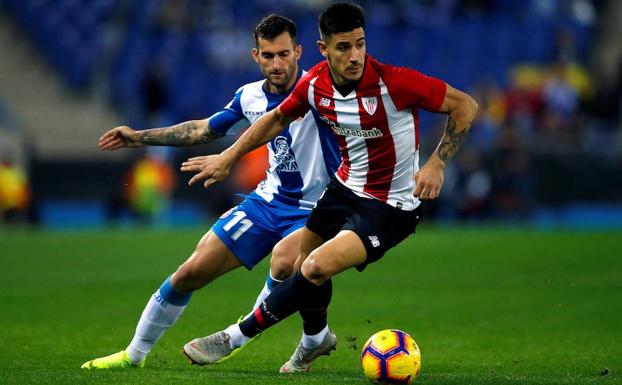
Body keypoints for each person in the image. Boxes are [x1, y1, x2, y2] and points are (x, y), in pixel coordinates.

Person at [179, 2, 478, 373]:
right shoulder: (316, 83)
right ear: (324, 49)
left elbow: (465, 105)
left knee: (316, 266)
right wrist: (228, 157)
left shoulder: (395, 83)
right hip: (343, 190)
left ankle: (235, 336)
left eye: (360, 44)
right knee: (295, 262)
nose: (355, 56)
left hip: (390, 207)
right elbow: (275, 120)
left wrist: (436, 163)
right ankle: (315, 340)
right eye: (343, 47)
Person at [81, 14, 339, 369]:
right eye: (268, 56)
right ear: (255, 56)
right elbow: (202, 130)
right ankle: (132, 357)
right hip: (268, 202)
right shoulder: (248, 96)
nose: (277, 64)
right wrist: (140, 136)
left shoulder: (321, 88)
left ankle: (239, 335)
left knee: (284, 259)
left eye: (283, 54)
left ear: (298, 51)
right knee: (190, 272)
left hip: (320, 207)